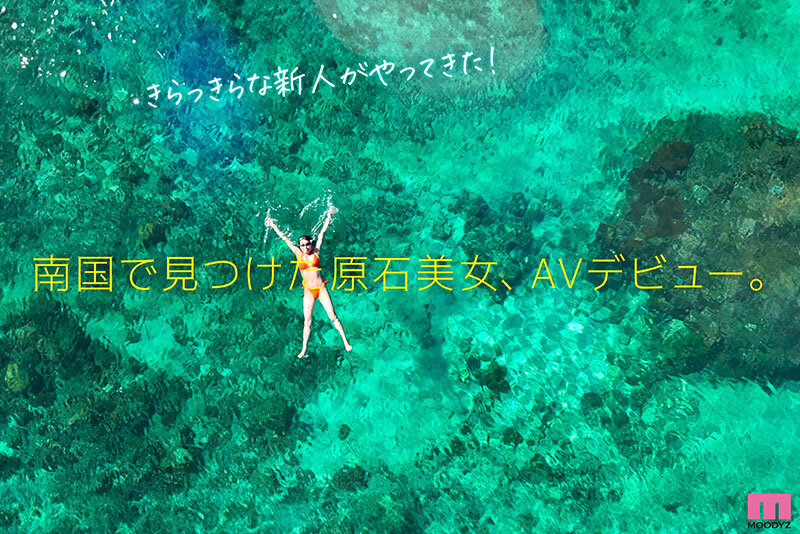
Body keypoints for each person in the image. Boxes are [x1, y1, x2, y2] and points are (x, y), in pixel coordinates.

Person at [265, 206, 353, 358]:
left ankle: (345, 342)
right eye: (302, 245)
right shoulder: (298, 254)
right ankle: (304, 348)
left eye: (307, 244)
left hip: (321, 288)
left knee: (333, 316)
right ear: (299, 246)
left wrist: (329, 216)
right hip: (308, 292)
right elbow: (285, 238)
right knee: (307, 321)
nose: (305, 247)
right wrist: (273, 225)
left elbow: (322, 233)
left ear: (311, 244)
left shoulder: (316, 252)